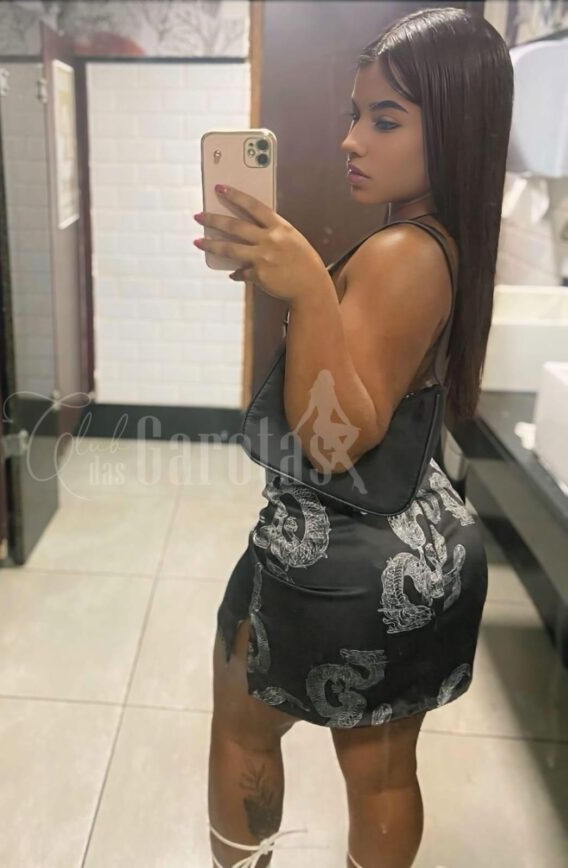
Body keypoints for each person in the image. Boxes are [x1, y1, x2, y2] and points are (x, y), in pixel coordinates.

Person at [201, 8, 514, 868]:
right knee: (381, 774)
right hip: (422, 537)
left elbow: (333, 443)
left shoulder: (399, 252)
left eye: (384, 119)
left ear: (454, 125)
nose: (351, 139)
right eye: (354, 115)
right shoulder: (443, 241)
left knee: (242, 730)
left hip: (342, 556)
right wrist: (301, 290)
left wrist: (309, 288)